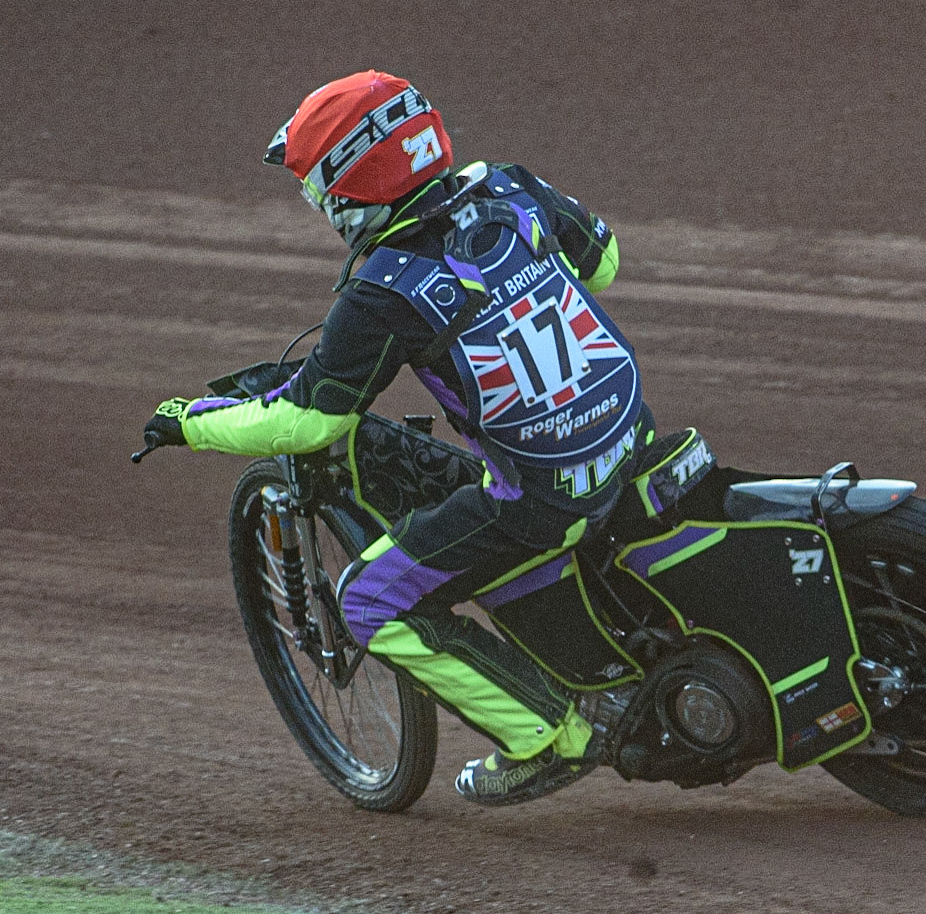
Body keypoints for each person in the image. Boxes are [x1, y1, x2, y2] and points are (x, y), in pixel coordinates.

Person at [143, 70, 646, 806]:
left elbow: (311, 419)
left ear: (352, 188)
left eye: (319, 187)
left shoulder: (383, 288)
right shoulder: (508, 187)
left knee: (371, 598)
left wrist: (188, 422)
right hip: (634, 440)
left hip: (543, 499)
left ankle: (551, 735)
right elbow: (604, 263)